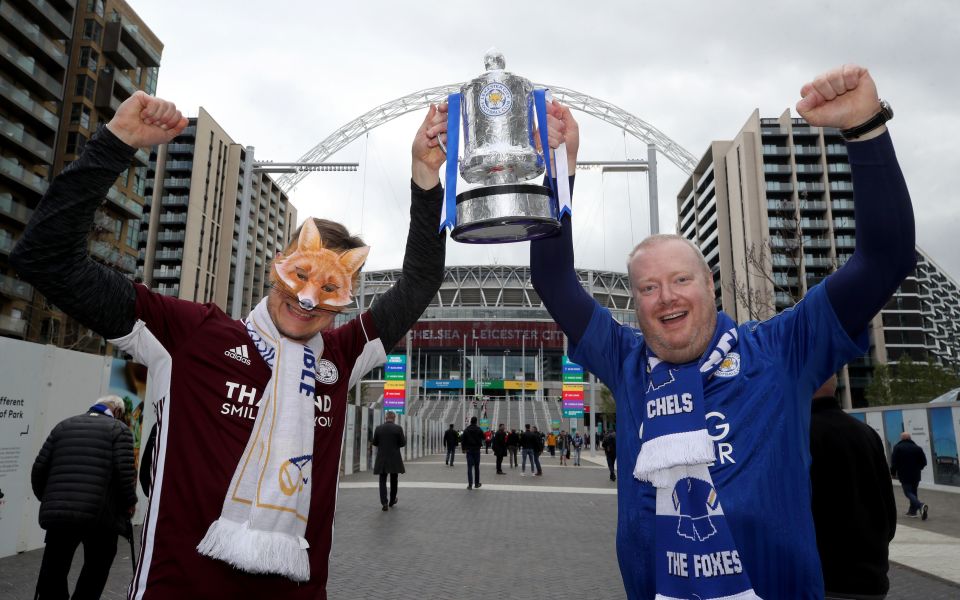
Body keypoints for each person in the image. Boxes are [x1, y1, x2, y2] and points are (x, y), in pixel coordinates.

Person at [12, 91, 448, 599]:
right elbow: (47, 261)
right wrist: (116, 143)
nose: (307, 300)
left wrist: (424, 175)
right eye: (299, 275)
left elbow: (418, 282)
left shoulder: (342, 357)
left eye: (329, 288)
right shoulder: (190, 336)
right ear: (276, 266)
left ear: (344, 300)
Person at [530, 65, 915, 599]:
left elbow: (885, 260)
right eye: (648, 288)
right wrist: (557, 165)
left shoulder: (781, 350)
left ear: (709, 285)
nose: (666, 296)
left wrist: (866, 128)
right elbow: (552, 279)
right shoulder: (625, 361)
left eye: (680, 279)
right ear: (635, 303)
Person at [31, 395, 137, 600]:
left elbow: (39, 469)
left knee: (54, 569)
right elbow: (124, 474)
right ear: (117, 412)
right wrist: (129, 503)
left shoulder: (63, 426)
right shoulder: (119, 430)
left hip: (59, 512)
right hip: (100, 516)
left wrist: (47, 498)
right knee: (97, 567)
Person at [810, 375, 897, 599]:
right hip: (871, 580)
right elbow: (889, 511)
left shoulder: (798, 435)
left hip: (826, 581)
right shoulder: (867, 433)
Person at [890, 432, 929, 520]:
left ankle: (920, 505)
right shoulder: (917, 448)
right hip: (916, 475)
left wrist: (893, 473)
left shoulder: (898, 448)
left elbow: (894, 462)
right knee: (914, 492)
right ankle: (912, 512)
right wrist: (918, 468)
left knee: (908, 492)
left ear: (902, 439)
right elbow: (924, 462)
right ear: (910, 438)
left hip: (904, 474)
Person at [372, 411, 406, 511]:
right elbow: (403, 443)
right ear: (394, 418)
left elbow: (375, 442)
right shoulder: (398, 428)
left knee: (382, 480)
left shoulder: (378, 428)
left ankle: (384, 502)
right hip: (394, 458)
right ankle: (392, 501)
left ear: (386, 418)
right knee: (394, 480)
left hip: (382, 458)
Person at [462, 416, 484, 489]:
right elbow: (483, 437)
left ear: (471, 421)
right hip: (477, 450)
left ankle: (470, 485)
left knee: (469, 467)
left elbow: (463, 440)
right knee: (477, 467)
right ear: (476, 421)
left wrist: (463, 449)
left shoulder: (466, 429)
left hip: (469, 450)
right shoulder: (479, 429)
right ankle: (477, 483)